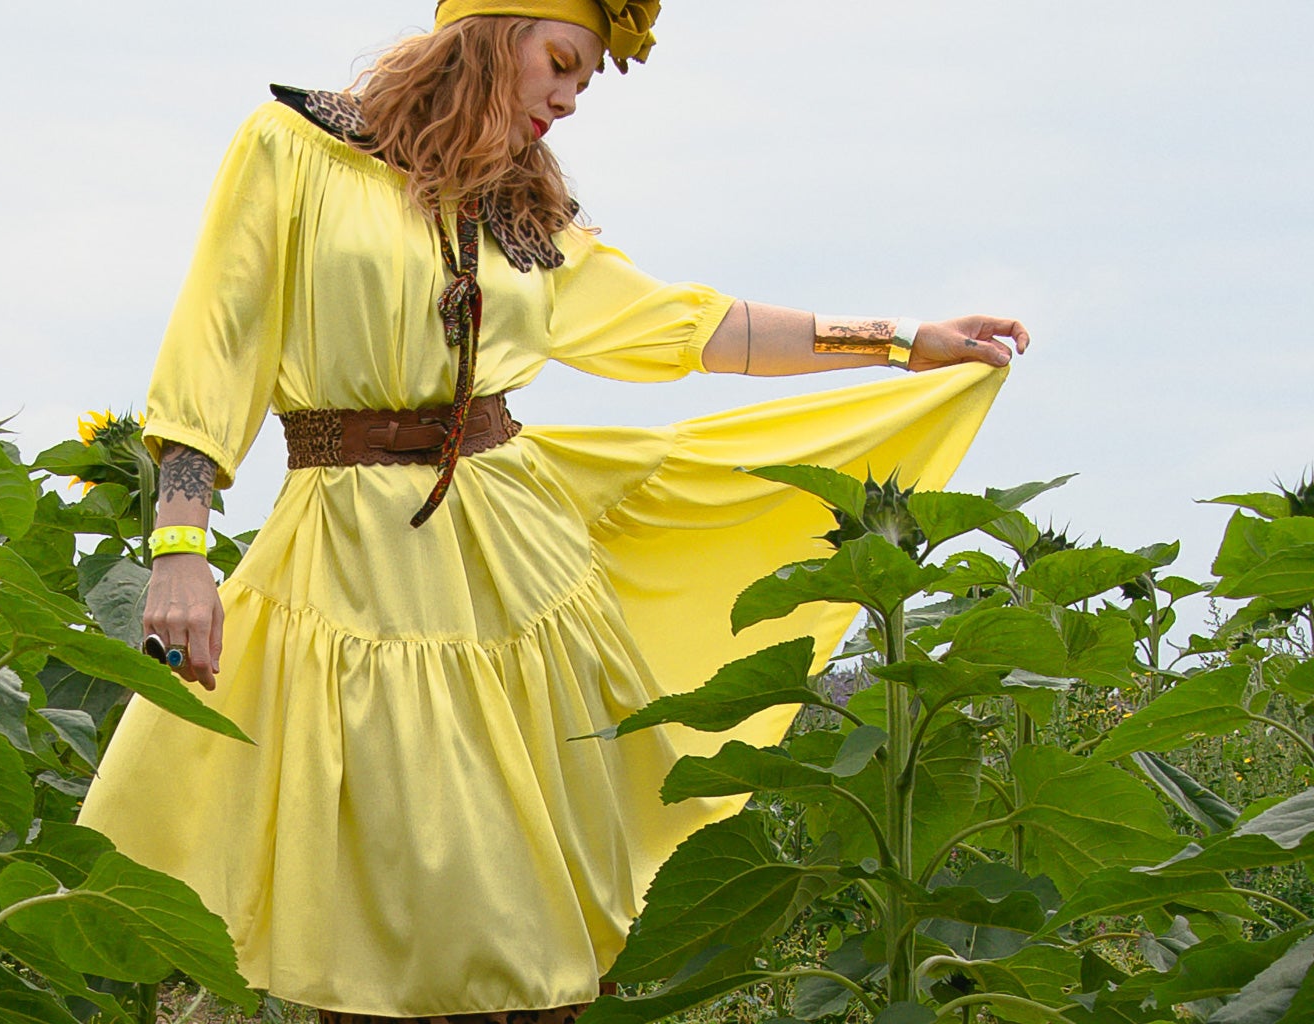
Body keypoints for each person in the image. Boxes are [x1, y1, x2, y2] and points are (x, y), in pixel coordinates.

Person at [79, 1, 1027, 1020]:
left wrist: (899, 337)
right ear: (490, 34)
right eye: (562, 62)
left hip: (518, 566)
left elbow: (693, 326)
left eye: (582, 82)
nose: (568, 99)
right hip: (349, 557)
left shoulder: (521, 217)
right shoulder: (293, 149)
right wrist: (180, 547)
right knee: (381, 902)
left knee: (534, 935)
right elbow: (216, 341)